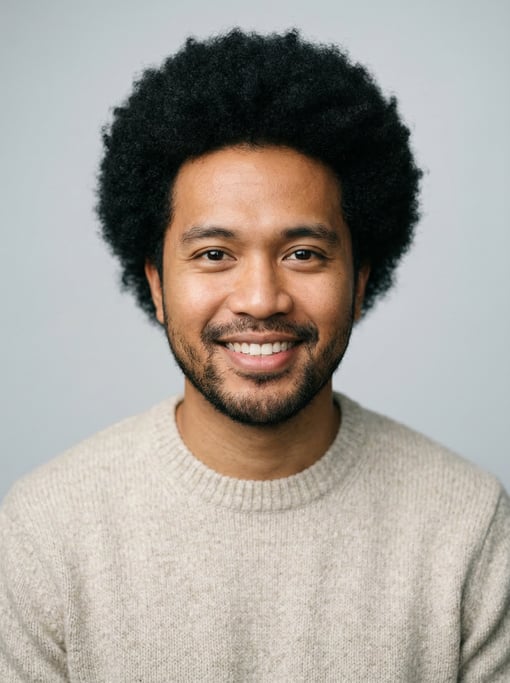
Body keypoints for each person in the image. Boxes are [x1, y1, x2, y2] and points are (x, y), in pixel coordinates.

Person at [0, 28, 508, 682]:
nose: (262, 298)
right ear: (156, 283)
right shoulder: (45, 534)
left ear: (359, 284)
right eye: (215, 254)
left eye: (303, 254)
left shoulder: (468, 527)